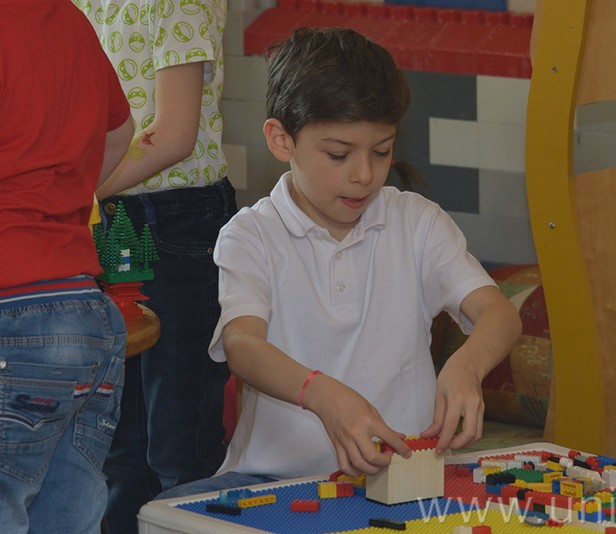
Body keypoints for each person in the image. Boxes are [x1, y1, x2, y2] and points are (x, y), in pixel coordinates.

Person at [158, 26, 522, 498]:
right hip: (273, 480)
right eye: (338, 154)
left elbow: (498, 313)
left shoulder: (416, 222)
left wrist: (467, 366)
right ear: (282, 140)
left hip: (400, 477)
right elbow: (243, 344)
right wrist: (320, 393)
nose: (364, 175)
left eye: (381, 151)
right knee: (165, 511)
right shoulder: (251, 234)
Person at [72, 1, 237, 531]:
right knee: (118, 439)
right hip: (111, 213)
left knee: (179, 438)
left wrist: (77, 194)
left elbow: (174, 135)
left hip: (177, 218)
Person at [0, 2, 134, 532]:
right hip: (84, 309)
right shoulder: (69, 18)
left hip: (12, 314)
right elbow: (119, 133)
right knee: (68, 517)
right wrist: (60, 202)